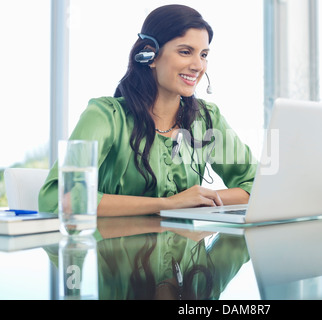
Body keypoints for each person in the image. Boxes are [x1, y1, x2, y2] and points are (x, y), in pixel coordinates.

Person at [38, 4, 257, 217]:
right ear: (149, 55)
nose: (198, 65)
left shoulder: (207, 118)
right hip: (111, 251)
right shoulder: (105, 116)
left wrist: (199, 199)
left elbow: (257, 186)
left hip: (187, 253)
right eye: (185, 52)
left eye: (204, 55)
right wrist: (168, 204)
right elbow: (60, 198)